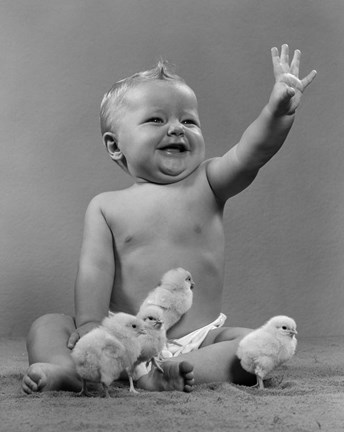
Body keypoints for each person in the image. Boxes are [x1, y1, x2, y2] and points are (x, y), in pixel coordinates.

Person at [22, 44, 316, 394]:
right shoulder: (106, 206)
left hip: (199, 339)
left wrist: (277, 111)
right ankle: (68, 370)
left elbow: (251, 154)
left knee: (248, 343)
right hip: (125, 335)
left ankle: (168, 373)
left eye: (189, 120)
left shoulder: (209, 183)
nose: (177, 128)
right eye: (156, 119)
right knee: (47, 325)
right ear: (116, 146)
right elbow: (94, 271)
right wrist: (88, 323)